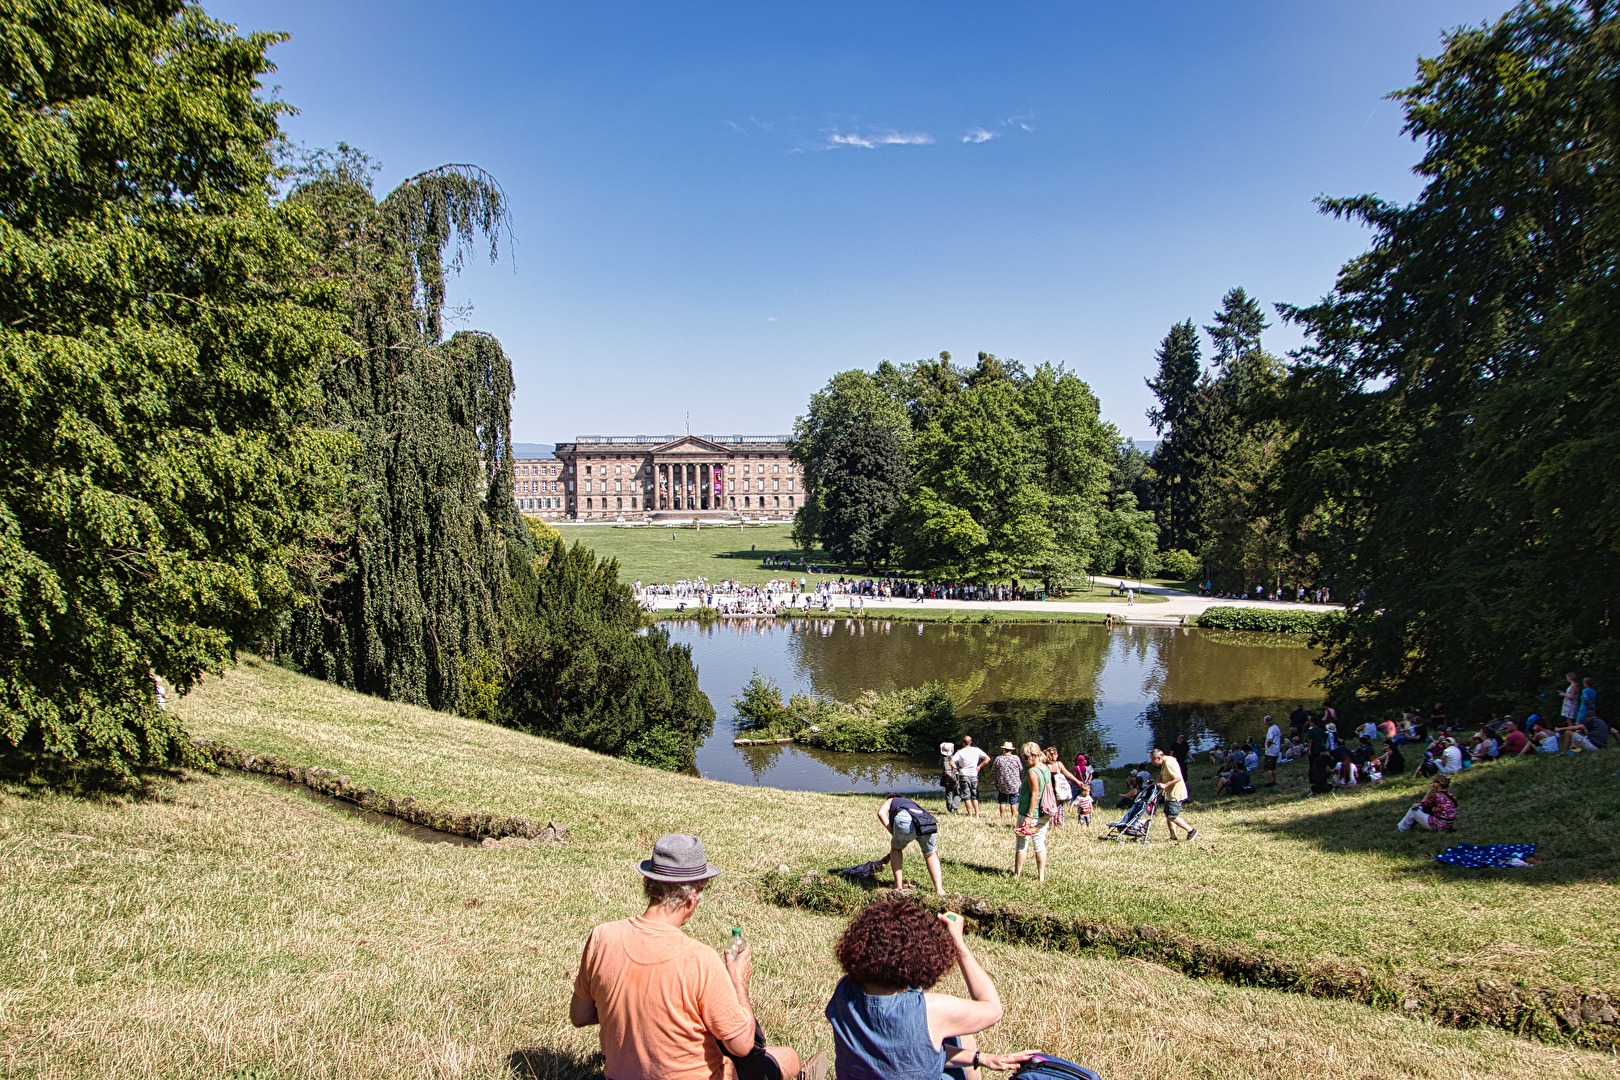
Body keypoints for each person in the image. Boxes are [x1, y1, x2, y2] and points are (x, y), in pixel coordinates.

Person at [570, 834, 823, 1080]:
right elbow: (743, 1045)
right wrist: (737, 981)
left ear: (649, 884)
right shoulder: (700, 960)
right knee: (788, 1057)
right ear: (691, 898)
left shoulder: (602, 937)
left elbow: (579, 1016)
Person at [823, 899, 1038, 1080]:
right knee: (960, 1034)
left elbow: (900, 1055)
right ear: (921, 956)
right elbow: (993, 1009)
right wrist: (958, 942)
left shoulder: (844, 992)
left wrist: (981, 1058)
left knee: (951, 1038)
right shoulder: (931, 1010)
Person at [878, 795, 945, 896]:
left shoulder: (891, 800)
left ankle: (898, 885)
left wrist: (892, 830)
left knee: (896, 849)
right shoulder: (910, 802)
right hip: (927, 821)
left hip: (905, 819)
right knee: (930, 854)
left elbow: (881, 813)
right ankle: (939, 890)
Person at [1012, 741, 1052, 881]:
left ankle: (1017, 874)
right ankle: (1041, 876)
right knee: (1040, 844)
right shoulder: (1046, 768)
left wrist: (1028, 816)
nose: (1025, 760)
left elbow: (1035, 794)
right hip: (1044, 812)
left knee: (1022, 844)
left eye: (1026, 757)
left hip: (1030, 813)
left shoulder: (1032, 772)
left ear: (1034, 755)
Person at [1150, 747, 1198, 841]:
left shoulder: (1169, 763)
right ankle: (1173, 836)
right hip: (1169, 793)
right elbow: (1162, 775)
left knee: (1172, 816)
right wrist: (1155, 783)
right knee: (1168, 814)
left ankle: (1191, 831)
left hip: (1176, 793)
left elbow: (1178, 777)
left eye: (1153, 759)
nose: (1152, 762)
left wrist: (1165, 785)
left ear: (1159, 758)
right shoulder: (1164, 762)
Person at [950, 737, 991, 819]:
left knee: (966, 796)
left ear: (963, 743)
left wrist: (957, 768)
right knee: (974, 795)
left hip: (964, 774)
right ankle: (977, 814)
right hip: (974, 775)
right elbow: (987, 759)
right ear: (971, 742)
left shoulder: (960, 752)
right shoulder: (976, 750)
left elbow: (951, 762)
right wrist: (979, 767)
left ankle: (970, 815)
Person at [1043, 747, 1082, 829]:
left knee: (1059, 806)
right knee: (1049, 805)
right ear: (1051, 755)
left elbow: (1067, 774)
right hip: (1048, 790)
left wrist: (1077, 781)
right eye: (1056, 754)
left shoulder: (1058, 764)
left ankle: (1059, 822)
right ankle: (1049, 823)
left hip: (1058, 789)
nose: (1057, 755)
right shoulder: (1044, 765)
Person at [989, 742, 1022, 824]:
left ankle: (1002, 817)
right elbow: (1021, 769)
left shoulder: (998, 759)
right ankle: (1013, 817)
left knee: (1002, 801)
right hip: (1014, 784)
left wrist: (996, 780)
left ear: (1004, 749)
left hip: (1002, 783)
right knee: (1013, 802)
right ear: (1011, 750)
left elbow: (993, 771)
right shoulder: (1016, 758)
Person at [939, 743, 961, 812]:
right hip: (955, 777)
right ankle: (954, 807)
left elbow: (939, 763)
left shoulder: (942, 759)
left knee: (949, 793)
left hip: (946, 778)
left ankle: (950, 809)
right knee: (958, 793)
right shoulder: (954, 757)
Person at [1261, 715, 1282, 787]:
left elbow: (1270, 740)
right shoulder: (1276, 727)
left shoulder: (1271, 730)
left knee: (1268, 768)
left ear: (1266, 722)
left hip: (1271, 751)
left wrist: (1267, 746)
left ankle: (1269, 782)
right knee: (1273, 767)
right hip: (1276, 750)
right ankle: (1274, 780)